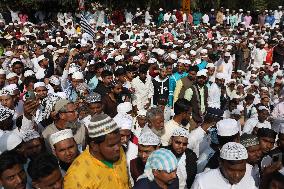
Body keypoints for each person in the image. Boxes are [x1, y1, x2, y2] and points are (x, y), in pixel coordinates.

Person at [64, 114, 129, 188]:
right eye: (111, 145)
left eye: (119, 142)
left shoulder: (118, 151)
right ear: (94, 146)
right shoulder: (76, 177)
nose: (118, 148)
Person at [191, 142, 257, 189]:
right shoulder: (202, 181)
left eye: (242, 170)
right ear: (220, 162)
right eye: (231, 170)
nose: (237, 175)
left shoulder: (250, 179)